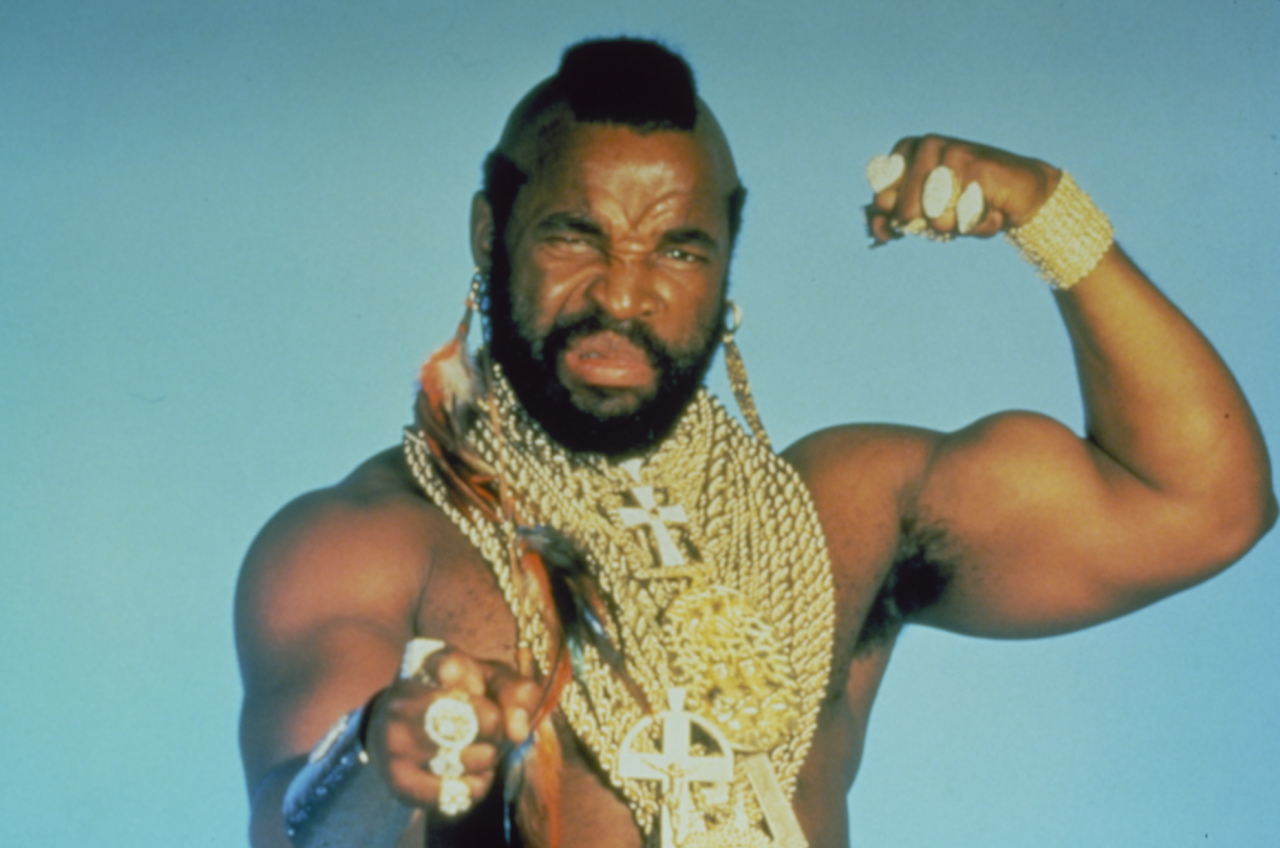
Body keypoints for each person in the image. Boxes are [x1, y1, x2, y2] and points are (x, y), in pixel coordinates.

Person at [234, 37, 1276, 848]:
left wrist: (1049, 213)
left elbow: (1203, 504)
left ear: (726, 264)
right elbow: (290, 825)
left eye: (678, 250)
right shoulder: (368, 540)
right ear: (489, 235)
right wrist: (373, 755)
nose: (623, 295)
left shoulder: (838, 514)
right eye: (574, 235)